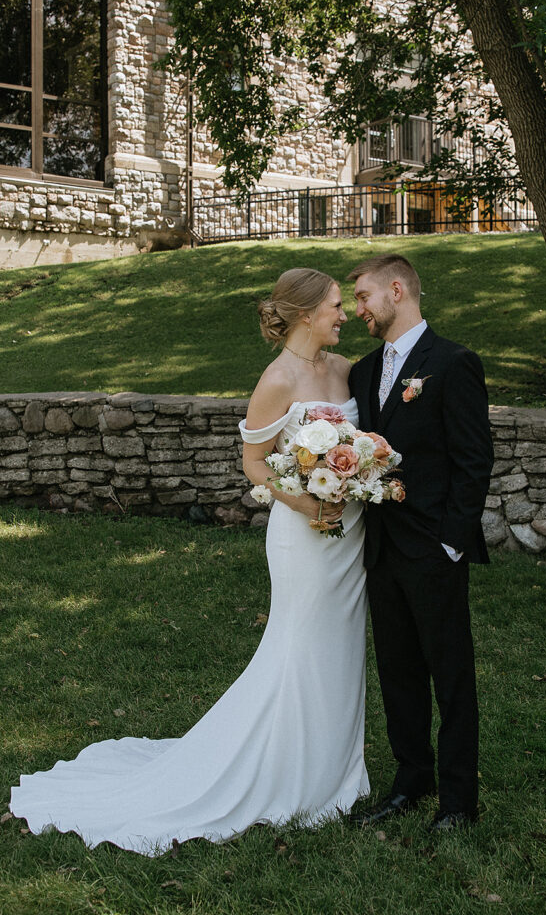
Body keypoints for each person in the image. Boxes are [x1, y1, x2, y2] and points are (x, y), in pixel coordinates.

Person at [9, 268, 369, 855]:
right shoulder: (277, 379)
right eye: (335, 305)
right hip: (304, 533)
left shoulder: (344, 369)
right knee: (300, 644)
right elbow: (254, 464)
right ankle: (285, 770)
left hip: (349, 531)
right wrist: (309, 503)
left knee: (342, 645)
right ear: (305, 313)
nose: (344, 313)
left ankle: (332, 768)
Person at [347, 254, 493, 831]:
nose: (358, 309)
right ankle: (411, 780)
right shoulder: (362, 371)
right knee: (398, 672)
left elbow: (473, 460)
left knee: (450, 675)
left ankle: (458, 801)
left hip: (434, 548)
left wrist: (452, 543)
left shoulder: (453, 363)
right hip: (381, 548)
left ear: (396, 290)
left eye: (363, 296)